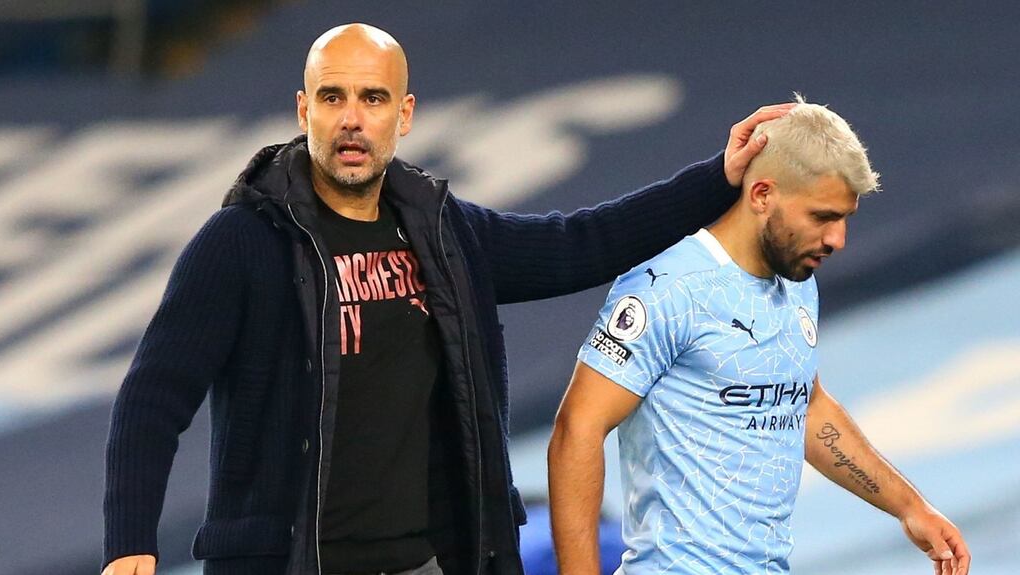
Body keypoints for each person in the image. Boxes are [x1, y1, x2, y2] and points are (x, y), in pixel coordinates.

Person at [101, 22, 791, 575]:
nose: (352, 119)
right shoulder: (242, 243)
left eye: (372, 99)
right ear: (303, 109)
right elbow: (152, 396)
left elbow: (578, 244)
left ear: (403, 115)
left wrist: (716, 178)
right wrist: (129, 540)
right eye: (334, 97)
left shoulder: (440, 228)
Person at [547, 97, 972, 575]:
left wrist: (910, 507)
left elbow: (803, 405)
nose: (838, 240)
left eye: (845, 218)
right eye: (822, 217)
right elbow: (577, 429)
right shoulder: (666, 290)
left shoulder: (796, 283)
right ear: (762, 194)